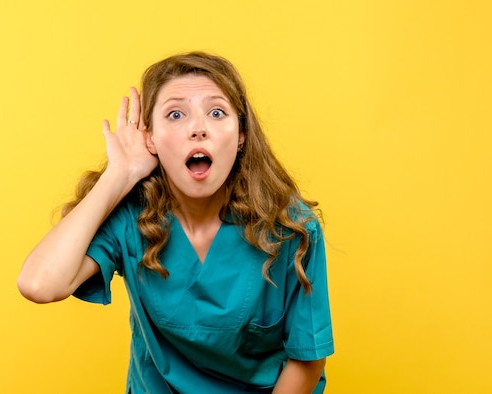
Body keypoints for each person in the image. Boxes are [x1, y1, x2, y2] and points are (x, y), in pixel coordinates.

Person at [18, 51, 334, 393]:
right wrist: (119, 174)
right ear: (149, 138)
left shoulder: (291, 227)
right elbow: (39, 284)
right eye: (176, 114)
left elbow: (308, 359)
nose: (198, 129)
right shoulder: (131, 218)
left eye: (216, 112)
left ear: (241, 135)